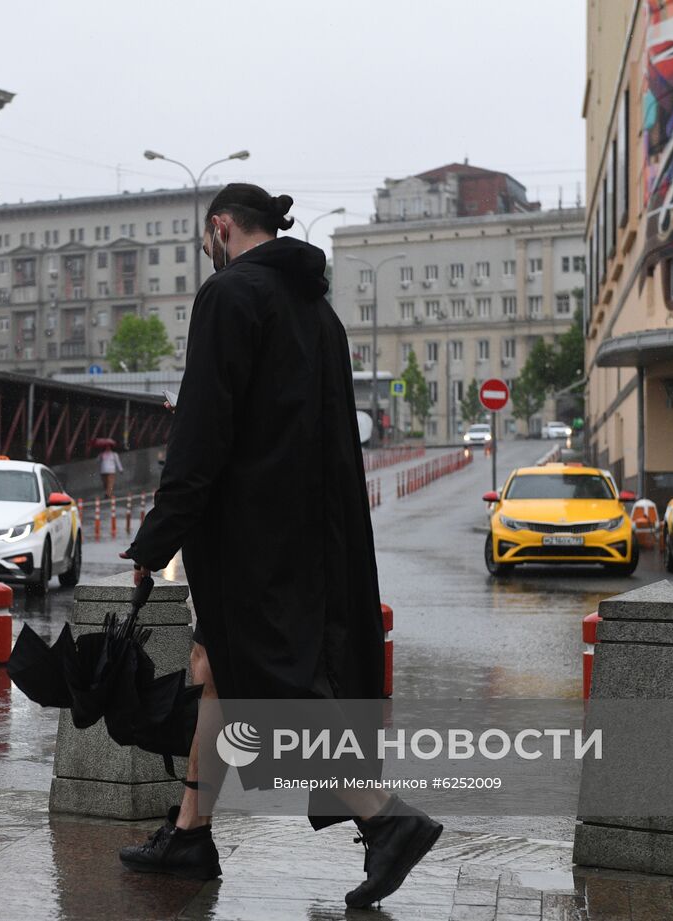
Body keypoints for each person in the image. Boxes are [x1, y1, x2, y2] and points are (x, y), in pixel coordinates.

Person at [118, 183, 441, 909]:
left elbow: (201, 427)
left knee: (278, 688)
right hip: (315, 532)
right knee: (215, 666)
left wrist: (156, 538)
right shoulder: (317, 310)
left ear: (222, 227)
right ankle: (190, 832)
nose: (209, 250)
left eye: (208, 239)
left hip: (249, 539)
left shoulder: (229, 295)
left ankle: (386, 816)